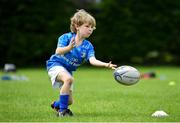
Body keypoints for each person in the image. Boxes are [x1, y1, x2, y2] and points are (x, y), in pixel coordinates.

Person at [46, 9, 117, 117]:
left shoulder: (88, 46)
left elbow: (92, 60)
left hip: (68, 70)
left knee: (69, 101)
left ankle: (56, 105)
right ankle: (63, 112)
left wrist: (105, 64)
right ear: (77, 26)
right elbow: (58, 51)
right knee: (68, 79)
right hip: (55, 65)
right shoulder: (66, 37)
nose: (90, 29)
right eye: (87, 26)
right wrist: (69, 47)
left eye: (92, 27)